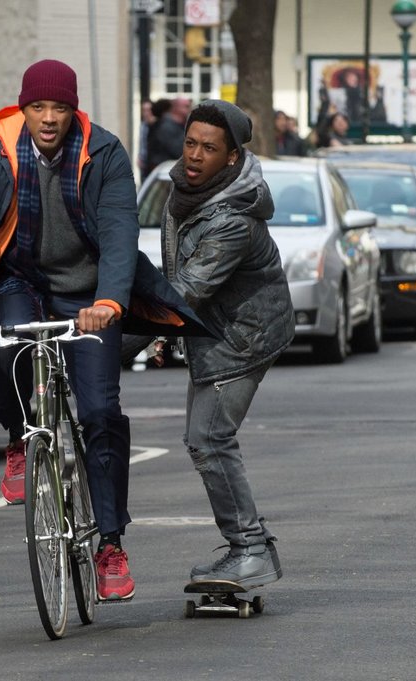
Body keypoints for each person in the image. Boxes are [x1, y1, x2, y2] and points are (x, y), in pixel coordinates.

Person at [0, 59, 193, 602]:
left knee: (101, 411)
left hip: (89, 292)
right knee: (2, 337)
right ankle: (18, 436)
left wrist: (109, 300)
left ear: (74, 110)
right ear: (24, 108)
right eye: (39, 107)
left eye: (60, 107)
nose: (49, 118)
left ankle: (109, 545)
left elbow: (119, 228)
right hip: (20, 279)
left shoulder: (103, 152)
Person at [156, 99, 295, 587]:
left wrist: (117, 336)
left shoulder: (232, 217)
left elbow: (186, 291)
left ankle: (251, 549)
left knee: (209, 438)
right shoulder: (187, 191)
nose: (194, 155)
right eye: (190, 142)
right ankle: (246, 546)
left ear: (231, 157)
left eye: (208, 148)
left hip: (243, 338)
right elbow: (175, 281)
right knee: (204, 439)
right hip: (215, 333)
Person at [145, 96, 191, 177]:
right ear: (176, 108)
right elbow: (179, 151)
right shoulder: (166, 127)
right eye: (186, 106)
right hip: (165, 174)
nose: (189, 110)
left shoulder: (180, 125)